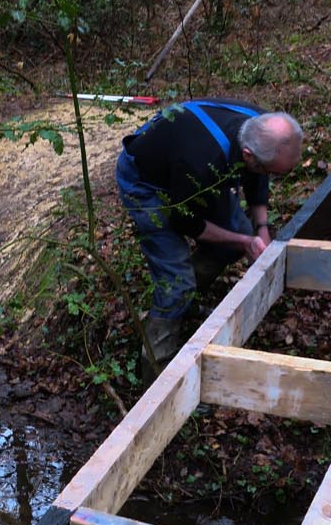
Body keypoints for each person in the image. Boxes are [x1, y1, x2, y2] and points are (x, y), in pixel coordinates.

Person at [114, 98, 303, 369]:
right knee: (176, 284)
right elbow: (186, 223)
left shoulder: (264, 127)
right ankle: (156, 367)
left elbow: (258, 174)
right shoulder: (201, 161)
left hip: (195, 177)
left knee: (238, 233)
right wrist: (245, 240)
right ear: (248, 154)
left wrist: (261, 229)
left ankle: (188, 302)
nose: (271, 175)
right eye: (271, 171)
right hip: (149, 187)